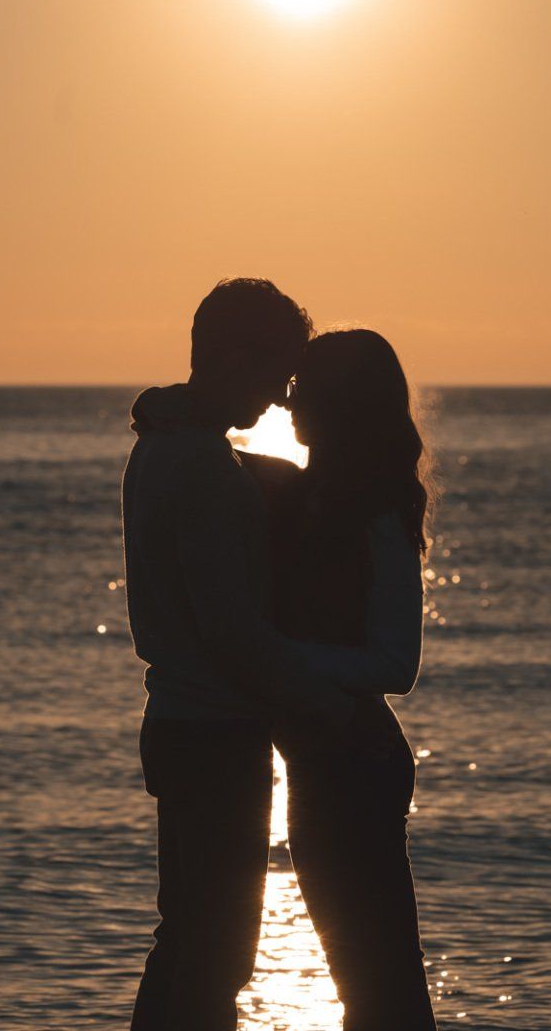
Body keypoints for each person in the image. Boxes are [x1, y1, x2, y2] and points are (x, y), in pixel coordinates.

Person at [123, 279, 357, 1031]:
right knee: (217, 953)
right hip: (215, 732)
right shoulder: (199, 469)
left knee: (187, 940)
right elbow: (231, 631)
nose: (282, 399)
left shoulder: (165, 446)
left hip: (180, 721)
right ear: (233, 360)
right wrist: (325, 701)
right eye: (276, 374)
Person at [245, 328, 438, 1031]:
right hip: (320, 762)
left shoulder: (378, 514)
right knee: (364, 979)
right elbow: (208, 454)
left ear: (340, 404)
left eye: (305, 390)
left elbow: (396, 665)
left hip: (357, 763)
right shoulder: (296, 492)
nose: (288, 403)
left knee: (381, 981)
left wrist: (279, 655)